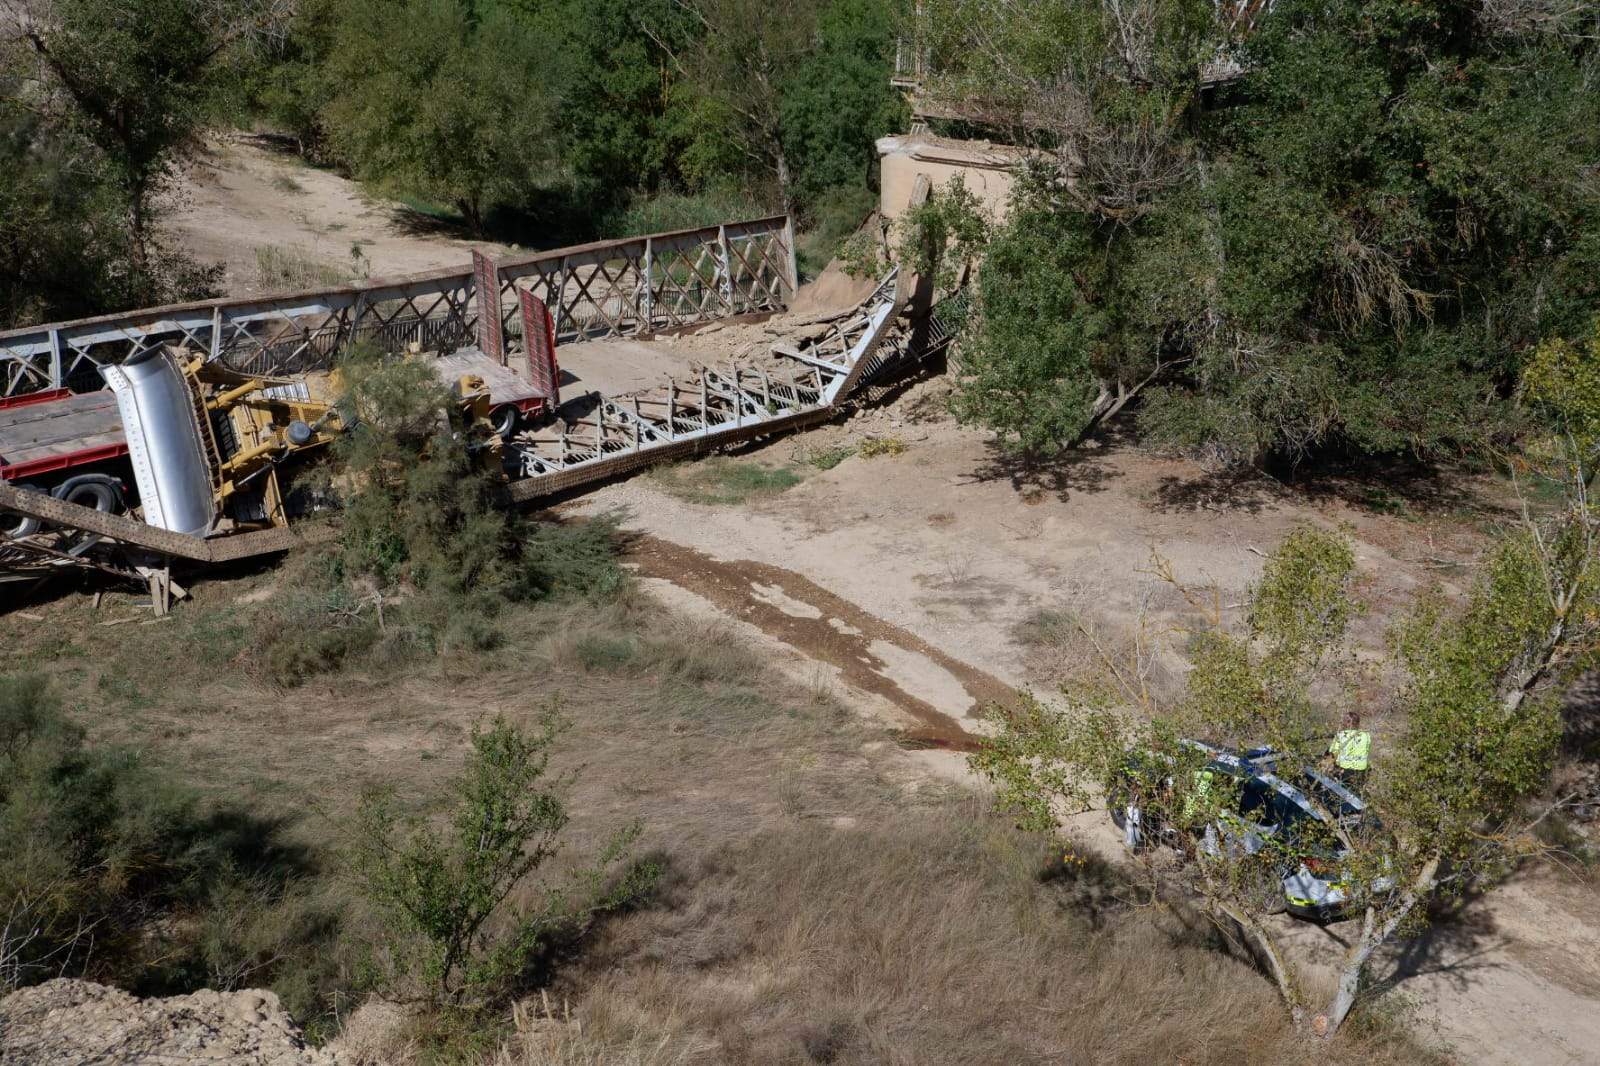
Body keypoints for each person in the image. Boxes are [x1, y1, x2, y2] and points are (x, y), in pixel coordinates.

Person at [1326, 711, 1371, 791]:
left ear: (1345, 723)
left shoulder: (1341, 735)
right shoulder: (1366, 735)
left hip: (1344, 770)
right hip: (1361, 771)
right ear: (1358, 723)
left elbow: (1332, 754)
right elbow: (1367, 751)